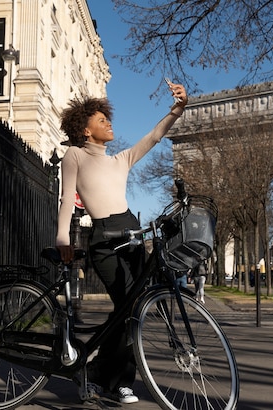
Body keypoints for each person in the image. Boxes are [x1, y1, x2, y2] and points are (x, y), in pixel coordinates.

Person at [55, 81, 188, 404]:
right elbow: (67, 201)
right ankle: (104, 374)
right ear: (85, 131)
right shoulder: (74, 155)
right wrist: (62, 238)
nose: (108, 123)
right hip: (104, 237)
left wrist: (178, 109)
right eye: (101, 120)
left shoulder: (120, 160)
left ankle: (114, 377)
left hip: (132, 231)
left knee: (134, 309)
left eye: (107, 118)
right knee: (128, 305)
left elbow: (155, 137)